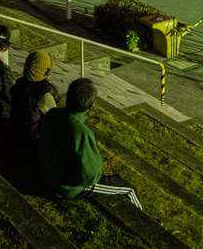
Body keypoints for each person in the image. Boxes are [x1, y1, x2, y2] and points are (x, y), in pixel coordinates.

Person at [37, 78, 142, 208]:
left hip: (47, 174)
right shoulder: (81, 132)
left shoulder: (52, 113)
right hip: (67, 188)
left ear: (67, 96)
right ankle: (147, 221)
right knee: (128, 189)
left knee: (115, 180)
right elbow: (90, 176)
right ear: (91, 105)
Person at [10, 51, 58, 145]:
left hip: (16, 130)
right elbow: (55, 120)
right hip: (33, 139)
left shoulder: (19, 85)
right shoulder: (45, 95)